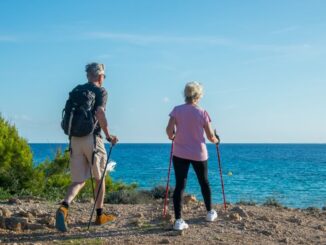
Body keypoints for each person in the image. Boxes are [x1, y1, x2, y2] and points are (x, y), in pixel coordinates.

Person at [55, 62, 118, 232]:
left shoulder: (77, 90)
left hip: (74, 138)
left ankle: (64, 207)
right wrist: (108, 135)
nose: (103, 79)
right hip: (92, 138)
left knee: (78, 180)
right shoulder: (101, 91)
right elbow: (100, 113)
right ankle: (99, 216)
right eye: (103, 76)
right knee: (99, 178)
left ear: (87, 75)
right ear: (99, 76)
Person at [166, 81, 219, 231]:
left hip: (180, 152)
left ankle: (178, 221)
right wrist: (217, 140)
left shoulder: (176, 110)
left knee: (180, 186)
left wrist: (173, 136)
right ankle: (209, 212)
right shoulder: (202, 112)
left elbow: (169, 132)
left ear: (186, 94)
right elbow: (210, 136)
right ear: (197, 95)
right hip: (198, 153)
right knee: (204, 182)